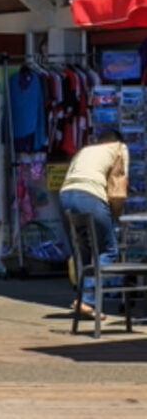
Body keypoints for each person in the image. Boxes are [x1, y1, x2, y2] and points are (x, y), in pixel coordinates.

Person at [58, 129, 129, 317]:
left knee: (84, 253)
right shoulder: (120, 148)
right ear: (116, 141)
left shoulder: (84, 151)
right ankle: (88, 301)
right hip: (90, 196)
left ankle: (83, 300)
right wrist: (114, 215)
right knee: (109, 250)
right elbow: (119, 188)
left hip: (65, 196)